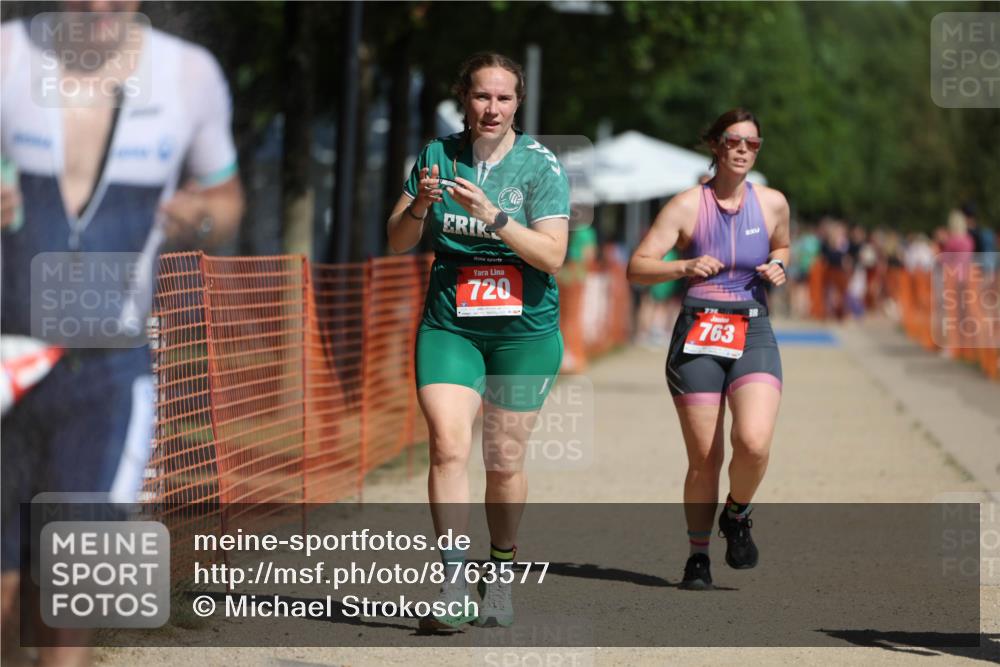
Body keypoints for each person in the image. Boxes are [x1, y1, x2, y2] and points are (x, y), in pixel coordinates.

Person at [1, 4, 243, 664]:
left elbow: (225, 201)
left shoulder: (188, 75)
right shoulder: (8, 59)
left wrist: (197, 217)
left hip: (109, 367)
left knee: (72, 584)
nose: (102, 9)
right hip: (8, 358)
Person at [386, 52, 569, 629]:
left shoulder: (542, 167)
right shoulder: (437, 155)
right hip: (452, 325)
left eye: (504, 97)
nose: (492, 108)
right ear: (464, 97)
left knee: (504, 459)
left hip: (524, 330)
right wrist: (419, 205)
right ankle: (453, 582)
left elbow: (553, 255)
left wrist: (494, 217)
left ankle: (501, 568)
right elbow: (396, 240)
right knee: (446, 444)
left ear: (518, 103)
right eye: (482, 96)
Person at [626, 108, 789, 590]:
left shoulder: (774, 203)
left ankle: (737, 514)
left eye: (752, 144)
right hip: (699, 331)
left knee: (754, 443)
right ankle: (698, 556)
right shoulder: (685, 205)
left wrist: (779, 266)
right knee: (705, 457)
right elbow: (638, 267)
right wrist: (684, 266)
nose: (743, 150)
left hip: (753, 330)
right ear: (716, 146)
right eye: (734, 141)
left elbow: (782, 246)